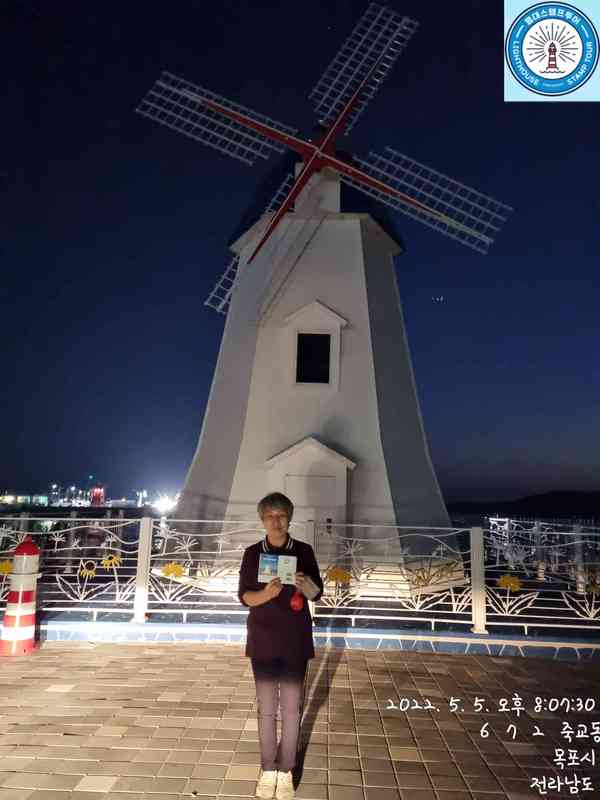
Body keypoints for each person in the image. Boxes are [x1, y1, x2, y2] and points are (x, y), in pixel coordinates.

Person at [238, 492, 324, 800]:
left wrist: (305, 584)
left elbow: (317, 594)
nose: (276, 521)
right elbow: (245, 596)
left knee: (290, 707)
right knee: (266, 709)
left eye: (281, 515)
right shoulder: (252, 553)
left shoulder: (303, 551)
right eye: (270, 516)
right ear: (262, 520)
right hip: (262, 640)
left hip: (294, 641)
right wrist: (268, 595)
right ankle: (268, 768)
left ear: (289, 518)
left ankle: (286, 769)